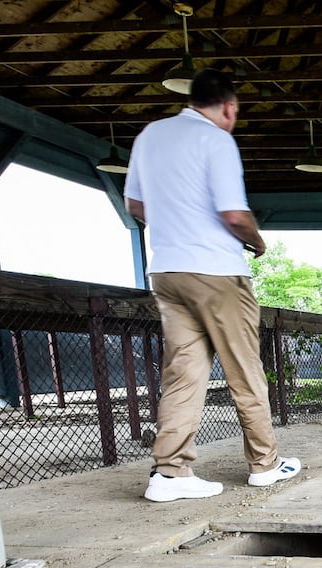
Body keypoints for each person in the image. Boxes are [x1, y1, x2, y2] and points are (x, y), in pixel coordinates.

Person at [125, 69, 300, 502]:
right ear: (228, 107)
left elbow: (135, 204)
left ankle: (170, 474)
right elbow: (234, 215)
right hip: (217, 272)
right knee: (245, 371)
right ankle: (264, 464)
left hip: (167, 270)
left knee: (183, 375)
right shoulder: (216, 140)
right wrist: (257, 243)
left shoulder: (150, 135)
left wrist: (176, 228)